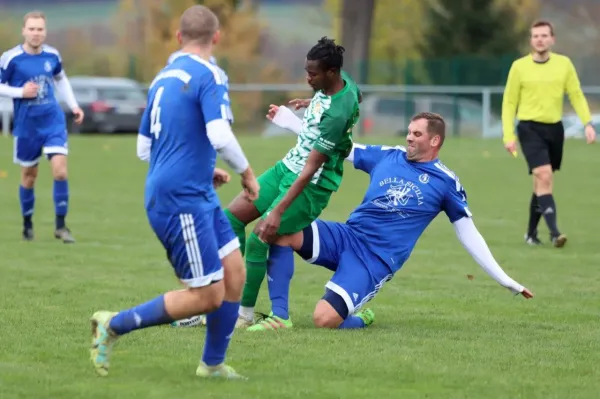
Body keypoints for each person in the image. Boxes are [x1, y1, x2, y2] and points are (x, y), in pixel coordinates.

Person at [88, 5, 259, 379]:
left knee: (235, 274)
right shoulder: (210, 74)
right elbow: (219, 134)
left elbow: (144, 149)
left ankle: (212, 366)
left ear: (179, 37)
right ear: (216, 38)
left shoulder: (162, 78)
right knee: (207, 296)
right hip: (181, 199)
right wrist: (247, 173)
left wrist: (200, 166)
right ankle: (113, 324)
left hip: (192, 191)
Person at [267, 111, 533, 330]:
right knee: (283, 230)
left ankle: (361, 319)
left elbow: (469, 234)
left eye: (417, 134)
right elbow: (341, 147)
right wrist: (293, 122)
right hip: (347, 236)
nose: (409, 138)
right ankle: (280, 317)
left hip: (375, 260)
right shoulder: (389, 155)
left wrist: (505, 279)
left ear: (434, 141)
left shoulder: (445, 182)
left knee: (323, 320)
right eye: (408, 132)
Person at [223, 38, 360, 331]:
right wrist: (310, 104)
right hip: (287, 167)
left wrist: (277, 210)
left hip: (311, 185)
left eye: (313, 74)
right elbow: (347, 98)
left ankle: (242, 314)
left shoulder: (336, 115)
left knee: (261, 236)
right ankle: (229, 292)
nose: (308, 77)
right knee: (231, 217)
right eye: (307, 71)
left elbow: (311, 169)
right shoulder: (341, 83)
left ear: (332, 72)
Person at [502, 20, 596, 248]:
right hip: (528, 128)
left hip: (554, 129)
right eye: (536, 36)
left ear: (552, 39)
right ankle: (555, 233)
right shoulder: (519, 67)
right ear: (531, 40)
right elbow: (509, 102)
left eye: (544, 35)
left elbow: (575, 94)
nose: (540, 39)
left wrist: (588, 123)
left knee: (541, 182)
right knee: (544, 175)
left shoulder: (564, 64)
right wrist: (508, 136)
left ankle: (531, 233)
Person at [0, 11, 84, 243]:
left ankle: (61, 226)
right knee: (29, 176)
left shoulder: (52, 55)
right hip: (27, 126)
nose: (36, 33)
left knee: (60, 171)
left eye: (40, 29)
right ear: (24, 31)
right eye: (32, 29)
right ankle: (27, 223)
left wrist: (74, 106)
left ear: (45, 32)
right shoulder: (11, 58)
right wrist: (20, 92)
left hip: (52, 121)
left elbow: (61, 79)